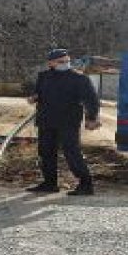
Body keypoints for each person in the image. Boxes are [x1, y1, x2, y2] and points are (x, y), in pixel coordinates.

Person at [27, 48, 101, 196]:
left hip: (68, 122)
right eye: (61, 62)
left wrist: (92, 118)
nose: (65, 64)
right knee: (46, 153)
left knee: (72, 153)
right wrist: (33, 97)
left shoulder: (79, 79)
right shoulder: (44, 77)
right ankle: (49, 183)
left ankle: (86, 184)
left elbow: (91, 100)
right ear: (51, 63)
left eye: (67, 61)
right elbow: (37, 93)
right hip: (46, 121)